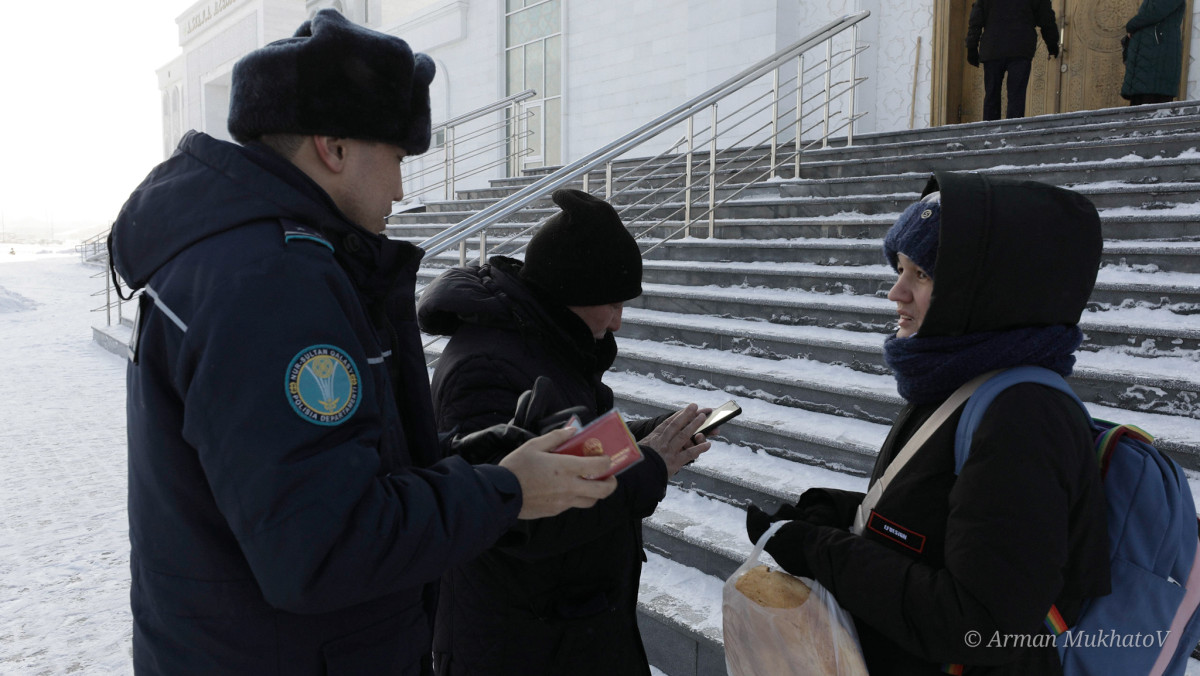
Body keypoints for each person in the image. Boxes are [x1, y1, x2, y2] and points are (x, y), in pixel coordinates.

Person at [108, 11, 619, 676]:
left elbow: (329, 473)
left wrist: (485, 459)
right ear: (334, 145)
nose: (403, 188)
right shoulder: (271, 284)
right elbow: (322, 548)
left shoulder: (264, 260)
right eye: (399, 157)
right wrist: (506, 492)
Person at [745, 171, 1111, 675]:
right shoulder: (960, 375)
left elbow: (981, 624)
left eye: (922, 274)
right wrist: (835, 513)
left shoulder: (1023, 417)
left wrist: (821, 551)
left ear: (987, 289)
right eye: (900, 268)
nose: (896, 292)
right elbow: (943, 524)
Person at [416, 188, 713, 676]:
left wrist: (647, 437)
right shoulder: (486, 366)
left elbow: (570, 445)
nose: (619, 319)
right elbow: (513, 512)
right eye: (611, 302)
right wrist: (648, 465)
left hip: (567, 633)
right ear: (568, 293)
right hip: (520, 646)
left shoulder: (544, 343)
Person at [966, 0, 1059, 121]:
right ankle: (1013, 132)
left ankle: (989, 133)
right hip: (1020, 48)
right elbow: (1046, 18)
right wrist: (1052, 44)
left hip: (993, 48)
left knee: (991, 95)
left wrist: (972, 47)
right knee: (1016, 96)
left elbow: (976, 18)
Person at [1121, 0, 1186, 105]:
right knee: (1138, 111)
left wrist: (1132, 25)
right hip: (1144, 67)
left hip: (1157, 63)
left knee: (1153, 109)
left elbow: (1155, 12)